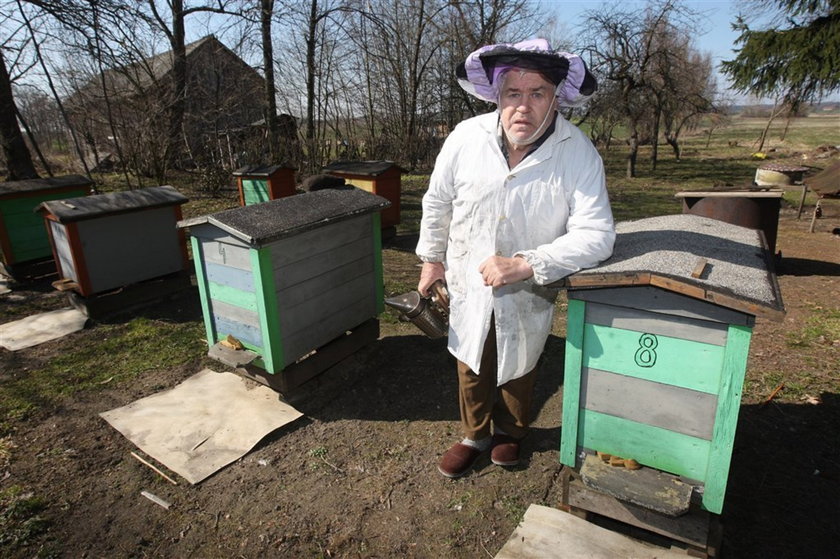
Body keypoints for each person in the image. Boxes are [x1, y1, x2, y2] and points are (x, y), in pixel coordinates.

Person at [415, 38, 615, 478]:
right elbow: (438, 201)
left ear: (555, 98)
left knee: (520, 359)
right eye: (513, 93)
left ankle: (511, 432)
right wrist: (431, 258)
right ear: (498, 97)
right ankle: (474, 434)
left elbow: (597, 234)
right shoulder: (466, 138)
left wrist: (529, 263)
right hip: (468, 277)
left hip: (529, 289)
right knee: (470, 356)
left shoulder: (577, 152)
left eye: (537, 93)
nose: (523, 106)